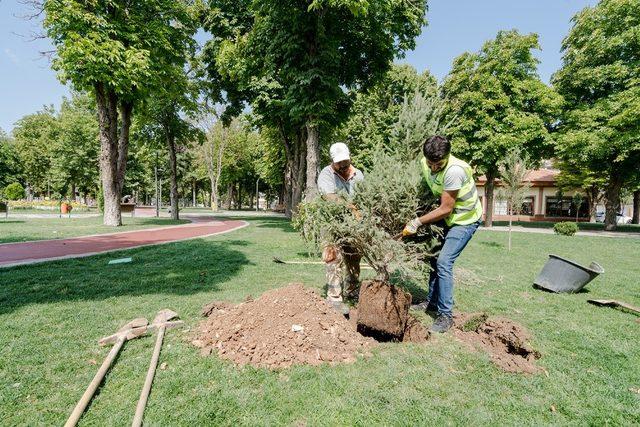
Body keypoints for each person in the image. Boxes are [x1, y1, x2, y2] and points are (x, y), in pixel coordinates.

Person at [403, 135, 483, 333]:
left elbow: (446, 208)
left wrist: (417, 222)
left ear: (446, 157)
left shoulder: (454, 171)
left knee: (444, 262)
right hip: (446, 219)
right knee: (433, 258)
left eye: (438, 164)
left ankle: (445, 315)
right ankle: (431, 303)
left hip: (465, 220)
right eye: (430, 163)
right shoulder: (425, 162)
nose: (433, 168)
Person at [317, 142, 364, 314]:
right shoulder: (326, 174)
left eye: (345, 161)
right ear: (333, 161)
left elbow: (364, 197)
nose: (343, 165)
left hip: (353, 225)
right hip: (330, 223)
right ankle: (334, 297)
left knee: (354, 256)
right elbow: (330, 197)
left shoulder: (358, 175)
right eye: (339, 163)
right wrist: (352, 207)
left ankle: (352, 290)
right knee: (332, 257)